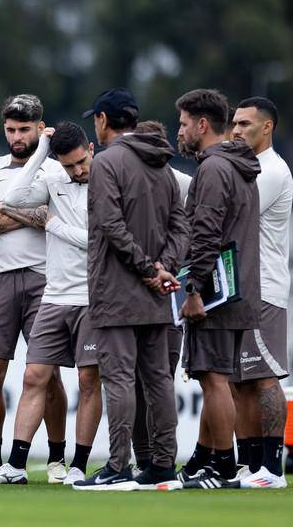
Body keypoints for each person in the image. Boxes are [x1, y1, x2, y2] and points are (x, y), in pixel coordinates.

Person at [73, 87, 188, 491]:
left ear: (103, 120)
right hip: (158, 291)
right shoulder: (163, 162)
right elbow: (181, 225)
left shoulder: (107, 162)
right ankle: (162, 465)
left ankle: (119, 466)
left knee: (119, 379)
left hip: (118, 290)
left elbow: (109, 223)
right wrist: (164, 269)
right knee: (159, 379)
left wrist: (144, 268)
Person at [0, 123, 101, 485]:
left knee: (88, 379)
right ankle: (16, 465)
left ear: (90, 149)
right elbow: (13, 198)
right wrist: (41, 151)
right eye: (68, 166)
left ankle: (77, 465)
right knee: (34, 376)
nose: (77, 172)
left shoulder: (108, 180)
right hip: (55, 295)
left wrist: (53, 226)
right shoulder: (55, 176)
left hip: (93, 297)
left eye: (80, 163)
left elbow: (97, 239)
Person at [0, 94, 69, 483]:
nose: (17, 136)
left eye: (25, 129)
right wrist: (33, 216)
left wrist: (5, 210)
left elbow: (58, 217)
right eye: (11, 129)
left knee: (48, 375)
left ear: (40, 129)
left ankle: (57, 458)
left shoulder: (55, 170)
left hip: (45, 278)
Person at [175, 89, 261, 490]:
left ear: (202, 125)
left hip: (215, 293)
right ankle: (206, 460)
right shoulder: (241, 165)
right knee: (216, 379)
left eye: (183, 124)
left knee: (214, 379)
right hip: (238, 288)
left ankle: (224, 467)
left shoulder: (213, 168)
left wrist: (193, 289)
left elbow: (206, 233)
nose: (181, 131)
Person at [229, 97, 291, 488]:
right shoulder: (250, 167)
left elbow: (230, 214)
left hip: (265, 289)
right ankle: (251, 466)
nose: (236, 130)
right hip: (242, 290)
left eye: (245, 124)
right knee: (239, 381)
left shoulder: (271, 171)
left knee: (265, 378)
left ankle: (272, 468)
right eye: (234, 123)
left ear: (266, 128)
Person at [128, 120, 190, 475]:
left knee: (148, 384)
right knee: (147, 384)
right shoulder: (172, 179)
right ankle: (151, 460)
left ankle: (154, 459)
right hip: (154, 295)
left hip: (159, 297)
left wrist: (157, 268)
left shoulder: (178, 181)